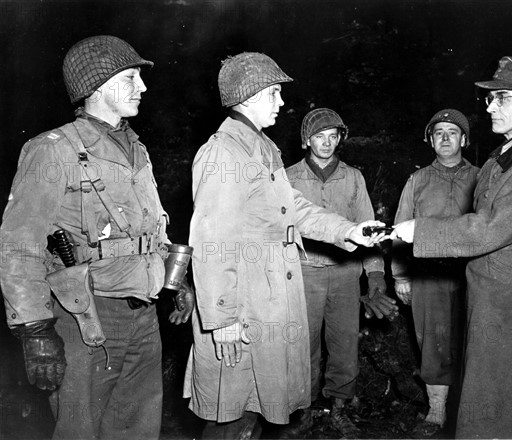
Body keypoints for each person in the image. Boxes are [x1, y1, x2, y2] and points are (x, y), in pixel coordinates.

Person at [0, 35, 195, 439]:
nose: (143, 87)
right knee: (79, 430)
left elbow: (149, 223)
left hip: (144, 314)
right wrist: (35, 330)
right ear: (97, 87)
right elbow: (20, 243)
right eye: (131, 77)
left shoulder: (136, 149)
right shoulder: (53, 150)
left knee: (136, 429)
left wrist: (177, 279)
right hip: (86, 316)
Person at [183, 52, 386, 439]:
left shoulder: (261, 149)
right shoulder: (224, 153)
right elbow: (211, 241)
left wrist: (348, 231)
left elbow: (294, 208)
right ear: (248, 97)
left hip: (266, 300)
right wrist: (222, 319)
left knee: (252, 409)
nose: (282, 102)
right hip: (241, 307)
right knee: (230, 413)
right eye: (274, 93)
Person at [391, 56, 512, 438]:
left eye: (502, 98)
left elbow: (491, 228)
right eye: (490, 99)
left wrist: (421, 230)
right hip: (501, 297)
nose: (491, 106)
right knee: (498, 399)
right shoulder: (507, 154)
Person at [285, 108, 398, 438]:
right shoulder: (287, 177)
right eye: (319, 137)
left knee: (344, 343)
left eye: (333, 136)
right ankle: (302, 410)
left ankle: (339, 408)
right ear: (307, 140)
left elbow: (369, 228)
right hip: (304, 272)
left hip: (346, 273)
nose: (326, 143)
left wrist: (375, 276)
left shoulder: (353, 177)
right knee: (302, 345)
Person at [391, 109, 478, 435]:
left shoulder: (482, 177)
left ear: (464, 140)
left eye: (452, 132)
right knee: (433, 343)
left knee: (475, 340)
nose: (445, 138)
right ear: (430, 140)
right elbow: (399, 230)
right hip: (428, 276)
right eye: (438, 132)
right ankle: (437, 412)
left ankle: (474, 412)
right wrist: (401, 276)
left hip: (472, 275)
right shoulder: (418, 180)